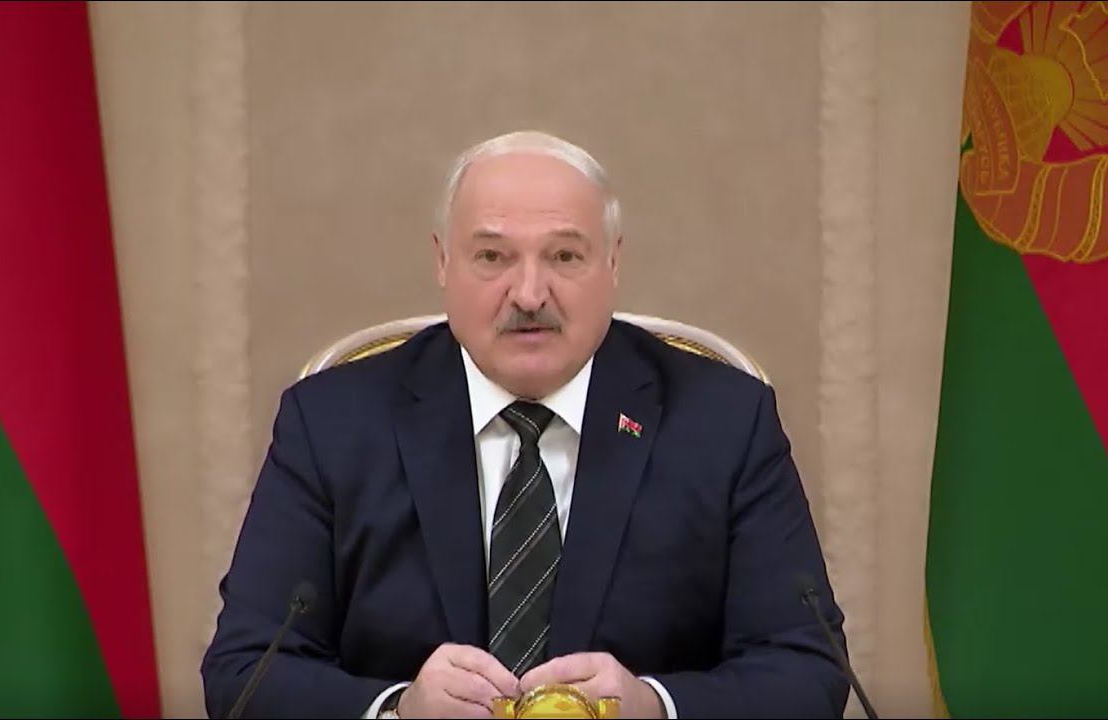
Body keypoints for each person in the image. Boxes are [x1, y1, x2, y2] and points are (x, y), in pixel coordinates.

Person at [201, 131, 849, 719]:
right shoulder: (332, 423)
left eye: (565, 256)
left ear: (613, 264)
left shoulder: (723, 422)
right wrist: (396, 712)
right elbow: (244, 672)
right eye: (492, 257)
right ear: (442, 263)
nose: (530, 294)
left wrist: (655, 707)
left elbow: (805, 669)